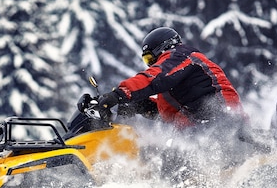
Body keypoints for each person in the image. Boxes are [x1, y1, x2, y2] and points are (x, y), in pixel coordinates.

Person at [98, 27, 247, 129]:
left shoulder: (181, 55)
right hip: (204, 123)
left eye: (150, 58)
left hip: (220, 118)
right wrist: (140, 105)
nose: (150, 64)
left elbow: (154, 78)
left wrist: (119, 94)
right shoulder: (174, 79)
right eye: (147, 61)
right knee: (161, 156)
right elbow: (169, 113)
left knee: (171, 161)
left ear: (162, 49)